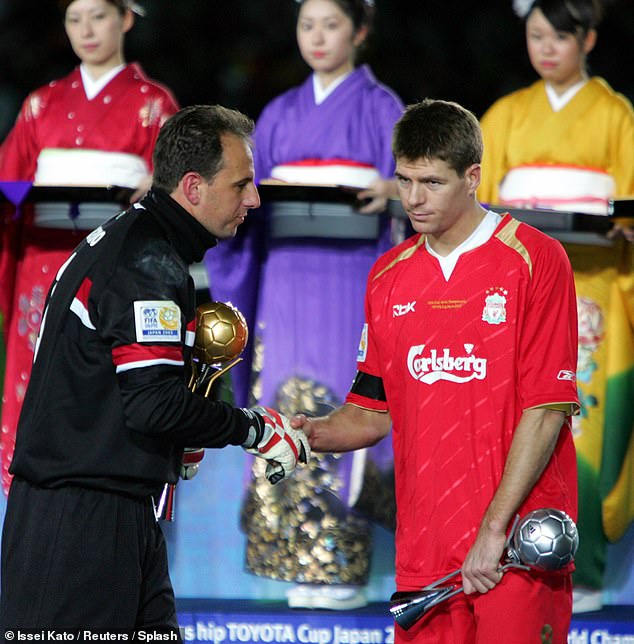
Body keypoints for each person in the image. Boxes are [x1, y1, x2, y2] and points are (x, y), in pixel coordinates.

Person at [0, 104, 310, 631]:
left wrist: (184, 438)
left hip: (107, 514)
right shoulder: (147, 262)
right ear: (192, 187)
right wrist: (253, 428)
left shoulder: (141, 244)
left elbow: (141, 395)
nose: (254, 199)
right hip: (81, 526)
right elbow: (153, 404)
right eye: (241, 185)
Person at [293, 99, 580, 644]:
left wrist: (493, 531)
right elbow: (372, 411)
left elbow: (546, 408)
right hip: (426, 551)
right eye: (403, 180)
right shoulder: (387, 277)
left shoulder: (535, 260)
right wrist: (307, 434)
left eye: (432, 182)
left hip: (516, 547)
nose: (413, 199)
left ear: (473, 177)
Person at [205, 0, 404, 610]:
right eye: (306, 24)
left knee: (346, 399)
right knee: (282, 400)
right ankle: (294, 560)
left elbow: (420, 184)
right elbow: (243, 192)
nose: (317, 37)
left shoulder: (381, 107)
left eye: (332, 24)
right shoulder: (277, 113)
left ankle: (342, 564)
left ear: (361, 31)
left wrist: (394, 189)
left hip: (352, 281)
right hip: (285, 281)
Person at [478, 0, 634, 612]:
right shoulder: (506, 114)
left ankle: (586, 571)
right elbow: (475, 200)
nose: (545, 49)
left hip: (592, 289)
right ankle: (512, 568)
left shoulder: (617, 115)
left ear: (589, 38)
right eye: (535, 36)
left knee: (587, 432)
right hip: (521, 292)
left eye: (559, 38)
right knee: (514, 430)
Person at [0, 0, 179, 494]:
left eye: (98, 16)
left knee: (106, 384)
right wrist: (18, 197)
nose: (86, 30)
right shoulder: (40, 104)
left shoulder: (155, 105)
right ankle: (34, 497)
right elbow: (9, 183)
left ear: (125, 18)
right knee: (40, 381)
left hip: (115, 267)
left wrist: (154, 189)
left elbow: (174, 189)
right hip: (44, 260)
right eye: (74, 18)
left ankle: (106, 495)